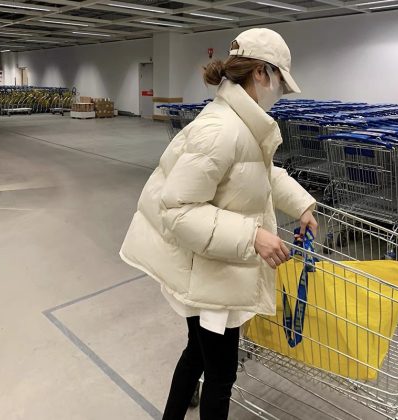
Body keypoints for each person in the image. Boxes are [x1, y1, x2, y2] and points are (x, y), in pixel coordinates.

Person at [120, 28, 318, 420]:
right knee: (220, 374)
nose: (280, 92)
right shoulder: (221, 129)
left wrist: (302, 206)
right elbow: (178, 210)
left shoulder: (242, 123)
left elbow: (261, 174)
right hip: (211, 274)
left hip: (214, 266)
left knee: (197, 354)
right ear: (260, 72)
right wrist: (253, 236)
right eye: (279, 81)